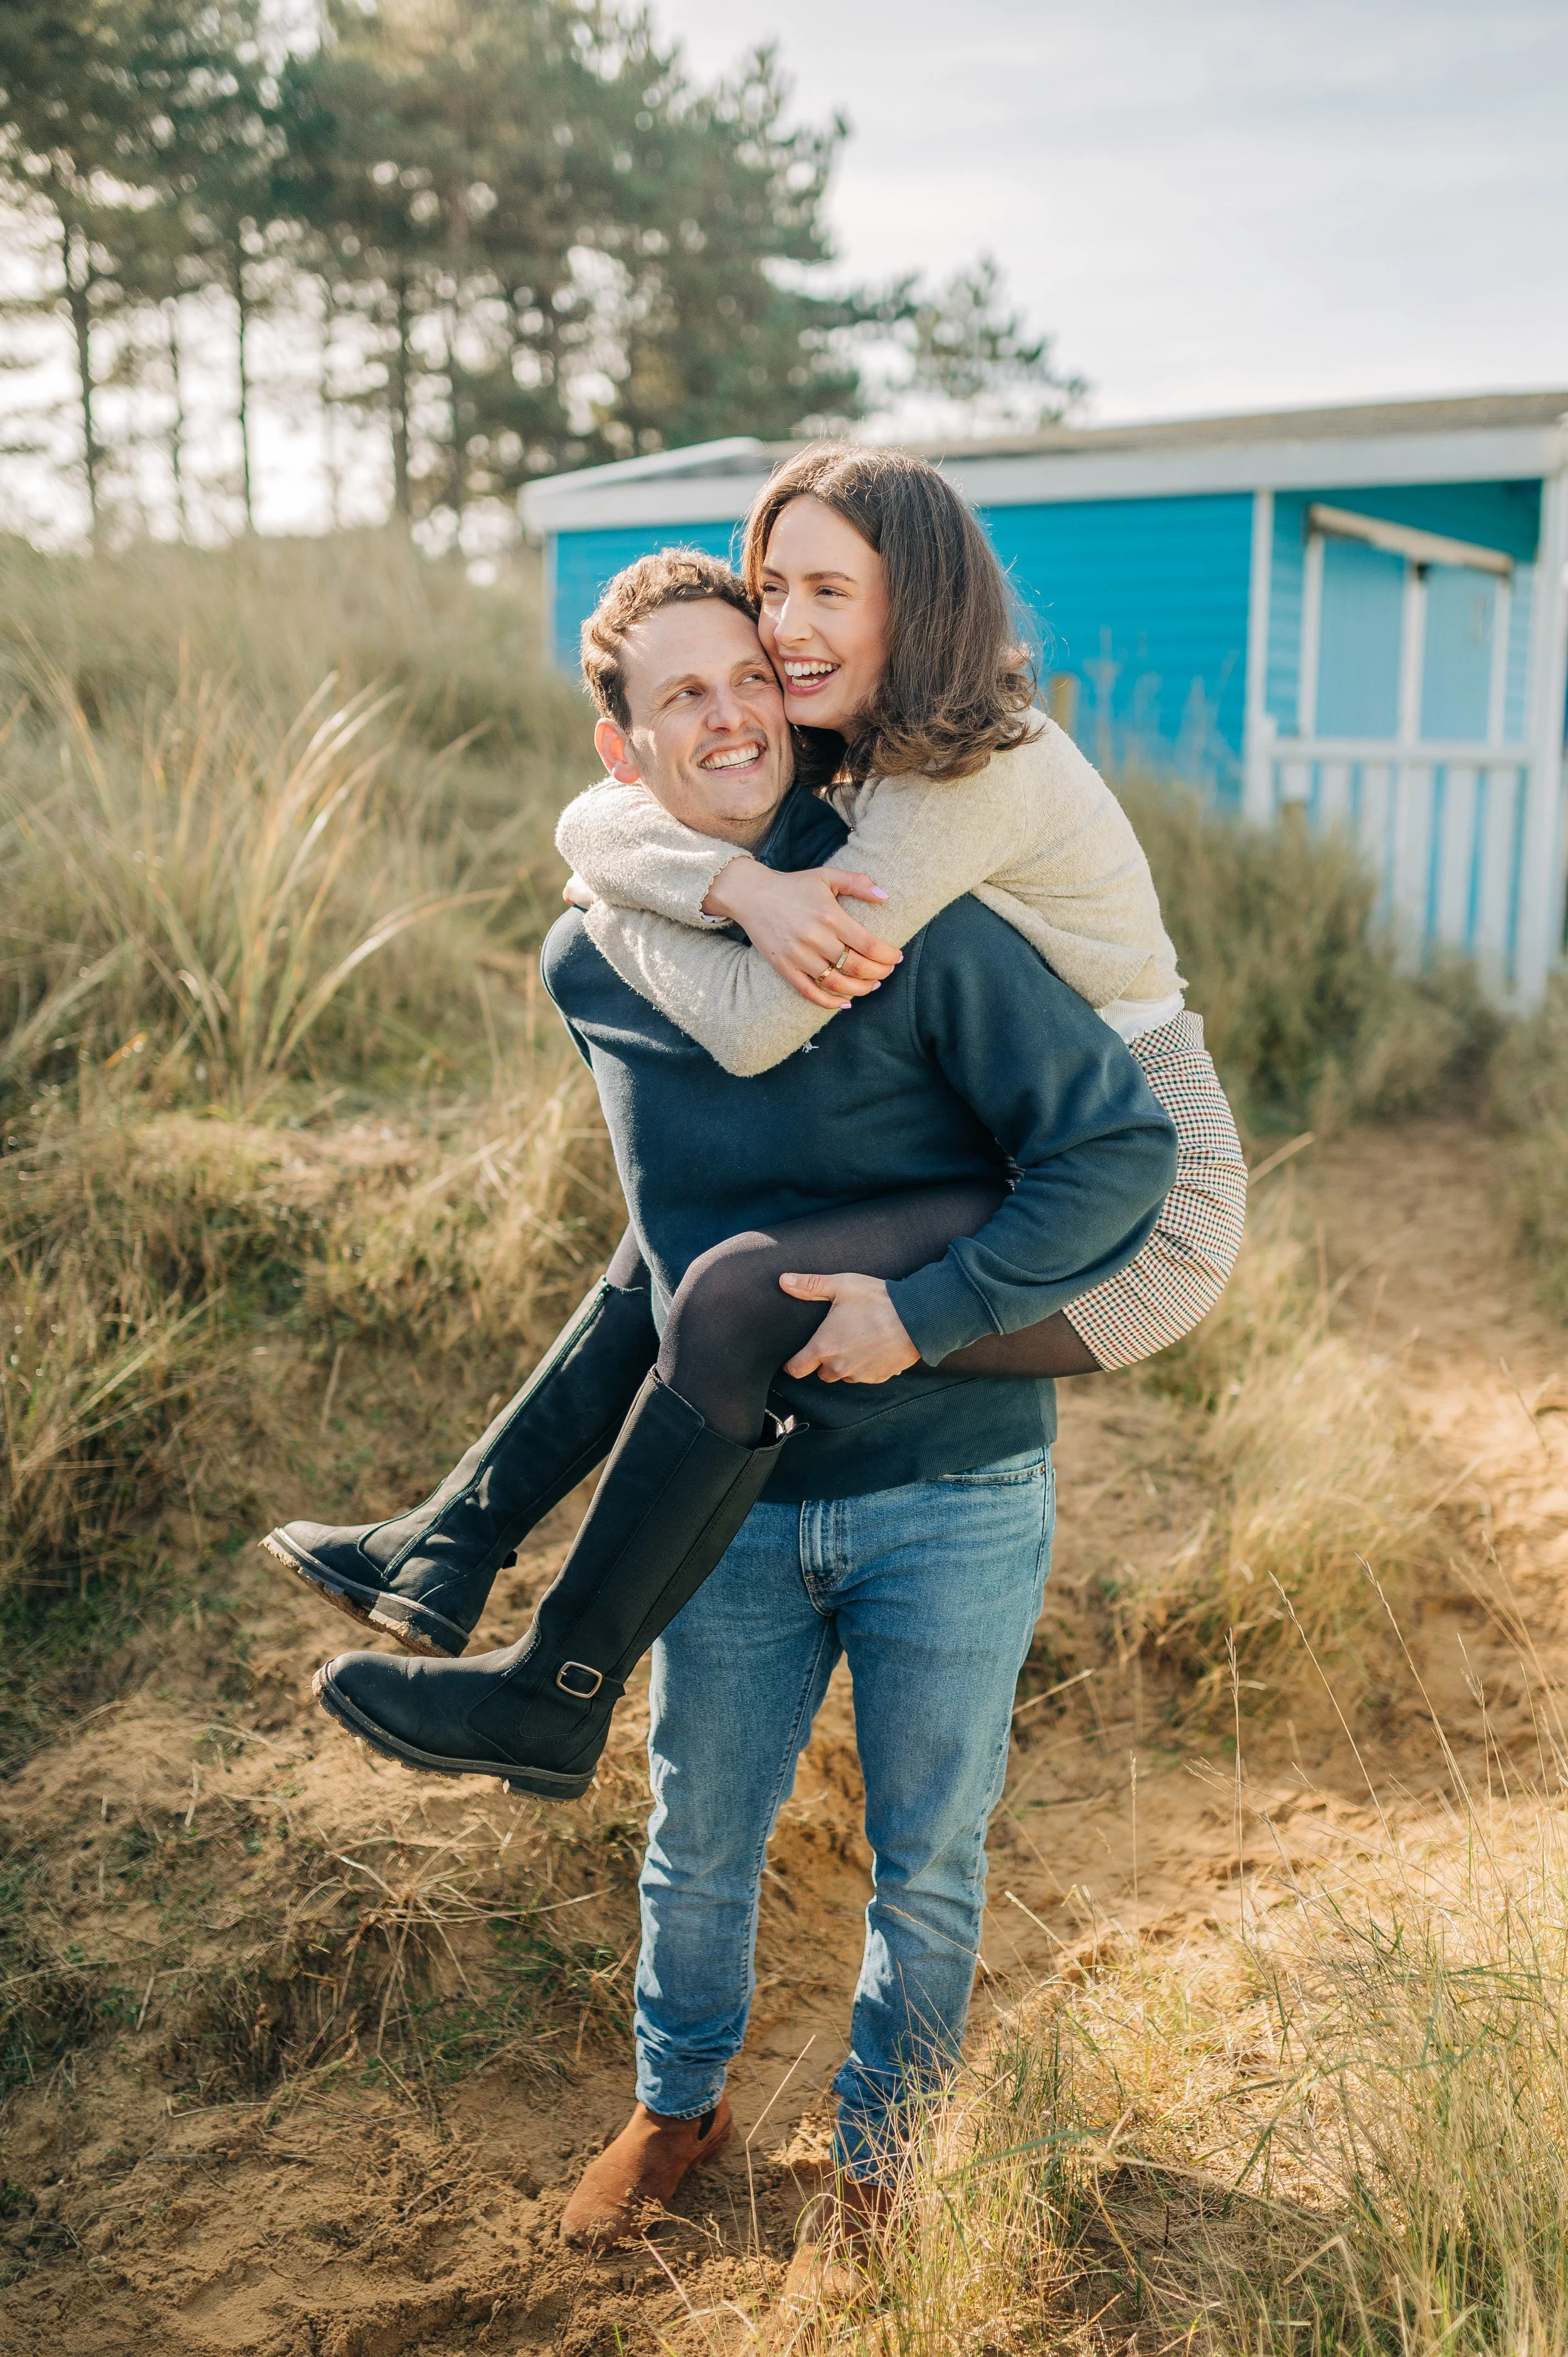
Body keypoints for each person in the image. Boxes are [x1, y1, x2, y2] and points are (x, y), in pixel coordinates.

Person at [304, 553, 1177, 2243]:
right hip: (731, 1505)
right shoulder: (592, 962)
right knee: (698, 1837)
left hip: (955, 1481)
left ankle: (882, 2155)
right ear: (620, 752)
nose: (725, 713)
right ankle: (674, 2107)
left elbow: (1113, 1155)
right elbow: (660, 1252)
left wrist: (924, 1315)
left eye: (745, 679)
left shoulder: (910, 911)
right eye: (677, 695)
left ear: (792, 702)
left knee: (926, 1859)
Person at [262, 449, 1244, 1732]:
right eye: (772, 586)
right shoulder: (867, 742)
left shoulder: (955, 784)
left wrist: (620, 924)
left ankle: (552, 1690)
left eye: (827, 592)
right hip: (1024, 1145)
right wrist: (722, 885)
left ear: (919, 604)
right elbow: (597, 816)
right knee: (663, 1244)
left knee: (730, 1296)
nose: (782, 628)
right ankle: (445, 1547)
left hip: (1132, 1205)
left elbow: (751, 1027)